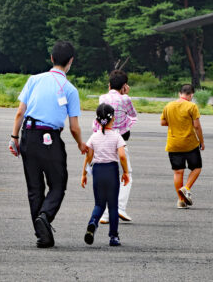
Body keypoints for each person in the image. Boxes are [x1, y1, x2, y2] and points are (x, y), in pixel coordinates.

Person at [8, 40, 88, 248]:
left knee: (34, 188)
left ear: (52, 58)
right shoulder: (70, 89)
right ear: (70, 62)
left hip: (29, 135)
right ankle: (45, 216)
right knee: (58, 183)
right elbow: (74, 127)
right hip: (51, 138)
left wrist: (14, 138)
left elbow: (20, 112)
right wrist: (80, 144)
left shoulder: (34, 80)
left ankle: (42, 234)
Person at [81, 104, 130, 246]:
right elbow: (122, 156)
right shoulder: (117, 137)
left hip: (97, 171)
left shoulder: (94, 137)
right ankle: (113, 237)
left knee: (99, 204)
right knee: (113, 205)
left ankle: (93, 223)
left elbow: (88, 157)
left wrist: (84, 174)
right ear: (113, 119)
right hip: (111, 170)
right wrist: (125, 172)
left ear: (97, 121)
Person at [93, 69, 137, 224]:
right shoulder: (125, 99)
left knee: (108, 175)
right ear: (124, 86)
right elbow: (133, 115)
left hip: (102, 139)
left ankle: (105, 214)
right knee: (126, 174)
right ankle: (120, 208)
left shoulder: (102, 97)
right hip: (118, 140)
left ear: (109, 84)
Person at [161, 84, 205, 209]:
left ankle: (181, 201)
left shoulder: (169, 105)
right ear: (191, 95)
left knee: (178, 172)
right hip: (190, 144)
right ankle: (186, 188)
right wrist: (201, 141)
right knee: (196, 168)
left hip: (173, 143)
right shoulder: (192, 106)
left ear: (179, 93)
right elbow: (197, 126)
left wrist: (175, 122)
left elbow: (163, 122)